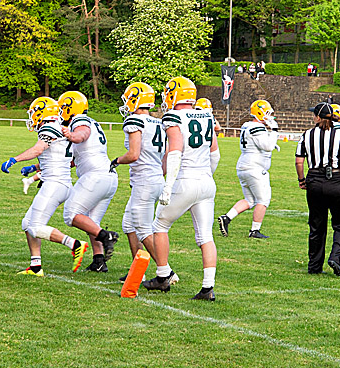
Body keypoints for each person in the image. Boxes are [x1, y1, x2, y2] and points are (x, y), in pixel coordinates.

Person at [144, 76, 220, 301]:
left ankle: (162, 276)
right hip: (206, 181)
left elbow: (175, 151)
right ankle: (208, 288)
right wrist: (207, 175)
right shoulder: (207, 115)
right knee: (205, 236)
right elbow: (215, 154)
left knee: (160, 225)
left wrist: (168, 186)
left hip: (186, 180)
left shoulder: (173, 116)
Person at [2, 97, 89, 276]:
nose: (32, 116)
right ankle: (36, 266)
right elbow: (54, 156)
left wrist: (14, 159)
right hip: (58, 182)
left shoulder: (49, 127)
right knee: (27, 224)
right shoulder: (59, 127)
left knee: (35, 227)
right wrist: (34, 168)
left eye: (34, 112)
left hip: (55, 183)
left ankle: (74, 244)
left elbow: (38, 149)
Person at [295, 102, 340, 277]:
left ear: (318, 117)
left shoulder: (307, 134)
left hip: (314, 180)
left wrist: (302, 179)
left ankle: (314, 266)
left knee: (317, 225)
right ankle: (336, 257)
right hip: (336, 180)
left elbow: (299, 161)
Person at [58, 91, 120, 273]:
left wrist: (71, 136)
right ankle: (99, 261)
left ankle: (106, 236)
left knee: (71, 214)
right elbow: (74, 159)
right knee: (91, 221)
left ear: (70, 107)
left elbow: (82, 134)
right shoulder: (92, 122)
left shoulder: (79, 121)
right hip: (108, 177)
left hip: (95, 176)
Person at [115, 83, 165, 280]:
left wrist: (116, 161)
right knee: (129, 225)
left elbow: (133, 154)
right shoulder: (158, 122)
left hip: (145, 180)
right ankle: (138, 272)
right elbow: (166, 156)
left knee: (143, 230)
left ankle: (166, 271)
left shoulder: (134, 121)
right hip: (155, 178)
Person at [218, 99, 280, 239]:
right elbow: (267, 146)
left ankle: (227, 218)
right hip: (255, 168)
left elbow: (257, 143)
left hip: (244, 165)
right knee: (263, 200)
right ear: (260, 112)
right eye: (267, 113)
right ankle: (254, 230)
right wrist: (274, 131)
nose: (269, 116)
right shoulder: (257, 127)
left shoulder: (247, 125)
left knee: (250, 200)